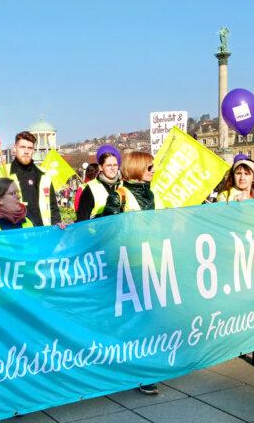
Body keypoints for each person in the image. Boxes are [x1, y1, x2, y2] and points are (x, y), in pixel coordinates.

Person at [100, 151, 159, 393]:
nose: (153, 171)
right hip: (127, 266)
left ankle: (144, 367)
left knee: (147, 318)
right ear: (137, 169)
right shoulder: (119, 195)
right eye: (149, 167)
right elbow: (108, 229)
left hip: (149, 262)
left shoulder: (151, 193)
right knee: (131, 321)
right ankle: (135, 371)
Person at [216, 158, 254, 370]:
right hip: (234, 258)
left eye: (246, 173)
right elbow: (217, 225)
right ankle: (233, 342)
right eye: (238, 173)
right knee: (238, 304)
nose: (241, 178)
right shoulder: (225, 196)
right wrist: (235, 208)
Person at [0, 131, 62, 227]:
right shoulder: (2, 172)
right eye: (22, 147)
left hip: (42, 232)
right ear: (15, 148)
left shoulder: (43, 174)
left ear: (33, 150)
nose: (26, 151)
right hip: (14, 232)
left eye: (30, 148)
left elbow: (53, 206)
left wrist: (57, 226)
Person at [77, 153, 121, 221]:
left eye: (115, 165)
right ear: (100, 167)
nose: (113, 168)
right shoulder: (90, 188)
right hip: (97, 231)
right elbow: (82, 219)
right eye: (109, 165)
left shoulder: (123, 185)